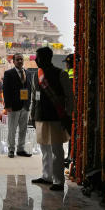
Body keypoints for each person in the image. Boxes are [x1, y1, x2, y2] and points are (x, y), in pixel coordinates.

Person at [30, 47, 72, 191]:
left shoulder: (61, 74)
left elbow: (69, 97)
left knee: (56, 150)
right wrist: (32, 114)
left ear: (46, 58)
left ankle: (58, 181)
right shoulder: (37, 75)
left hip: (56, 116)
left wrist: (67, 114)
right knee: (44, 148)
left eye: (38, 57)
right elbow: (34, 97)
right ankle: (46, 176)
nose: (36, 60)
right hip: (41, 116)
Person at [3, 53, 33, 159]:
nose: (20, 61)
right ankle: (11, 149)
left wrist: (29, 104)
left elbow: (30, 89)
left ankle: (21, 149)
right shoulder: (8, 73)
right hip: (13, 106)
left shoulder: (28, 73)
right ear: (13, 61)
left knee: (23, 129)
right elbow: (6, 91)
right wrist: (7, 105)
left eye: (21, 59)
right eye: (18, 59)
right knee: (12, 129)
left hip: (25, 105)